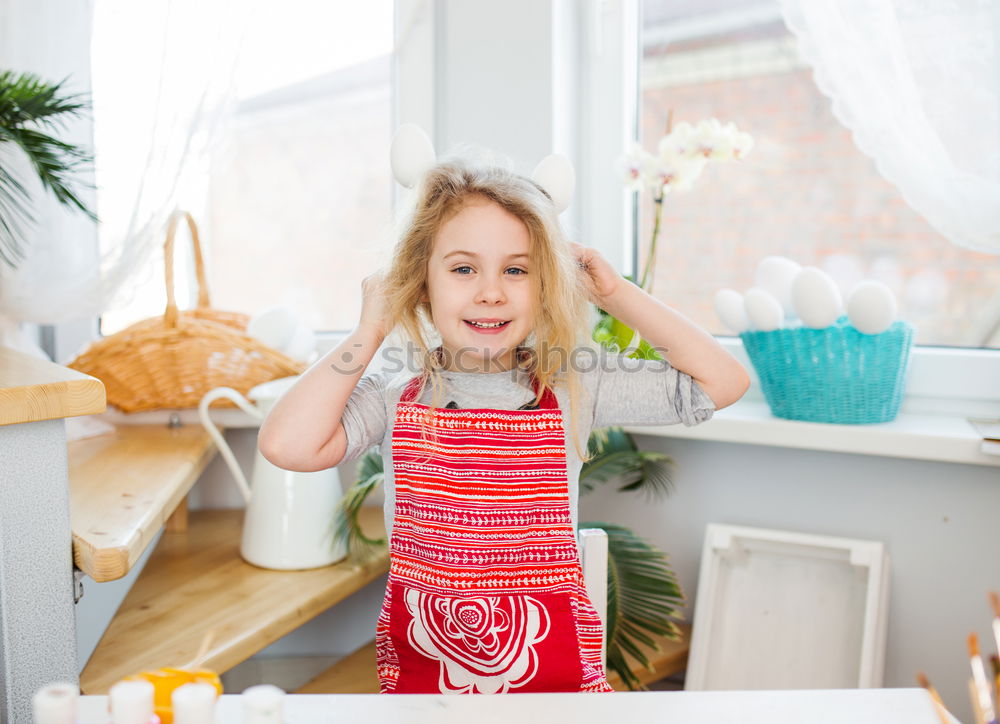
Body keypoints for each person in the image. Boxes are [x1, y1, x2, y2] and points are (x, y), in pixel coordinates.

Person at [258, 156, 750, 695]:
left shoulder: (575, 386)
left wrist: (614, 294)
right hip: (428, 692)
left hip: (555, 689)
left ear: (546, 288)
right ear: (421, 284)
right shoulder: (395, 397)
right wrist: (369, 331)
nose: (491, 291)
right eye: (464, 268)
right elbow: (287, 445)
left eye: (517, 270)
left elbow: (721, 382)